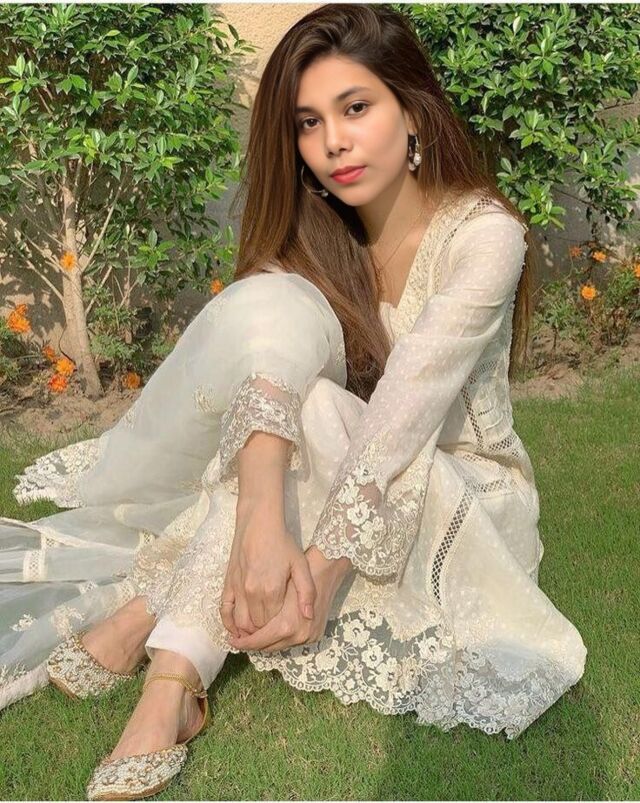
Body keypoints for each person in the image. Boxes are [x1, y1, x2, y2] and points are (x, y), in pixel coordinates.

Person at [0, 4, 587, 799]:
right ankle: (174, 666)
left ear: (413, 112)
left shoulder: (485, 236)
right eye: (309, 122)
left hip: (465, 491)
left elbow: (409, 401)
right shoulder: (321, 237)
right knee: (285, 385)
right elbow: (268, 378)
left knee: (315, 413)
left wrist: (320, 564)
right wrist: (262, 519)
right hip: (354, 467)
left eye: (356, 107)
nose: (333, 141)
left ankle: (161, 651)